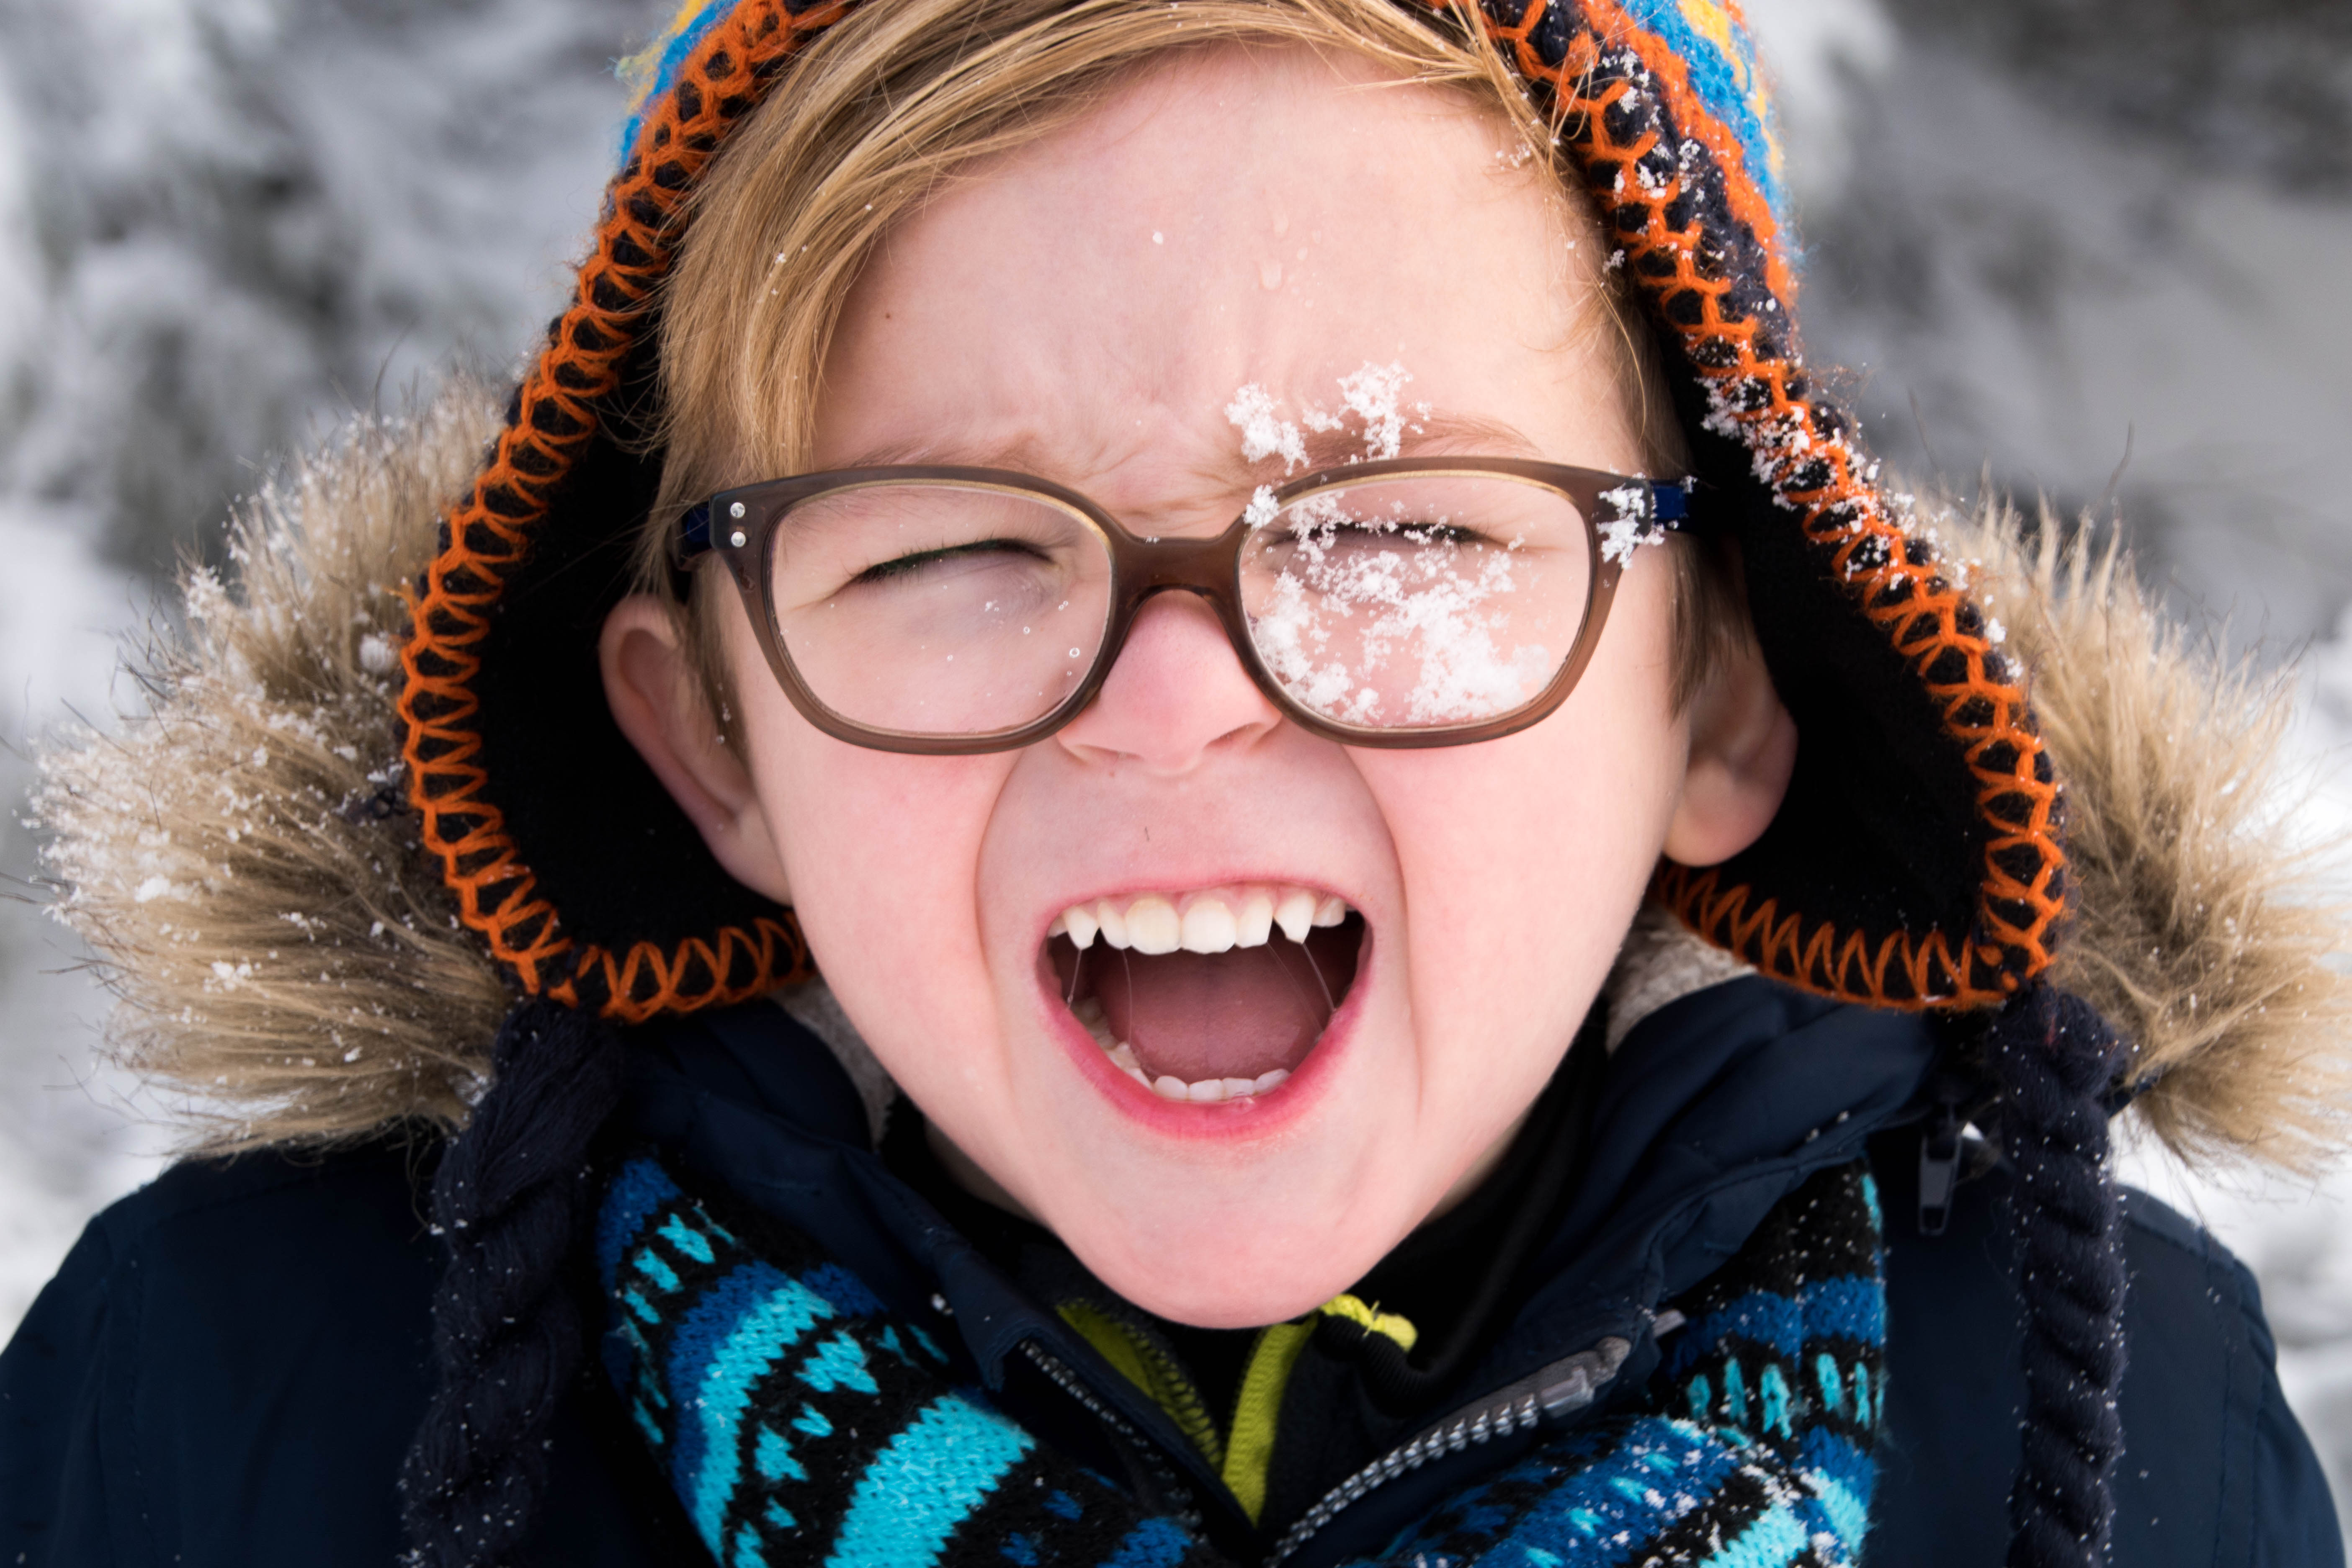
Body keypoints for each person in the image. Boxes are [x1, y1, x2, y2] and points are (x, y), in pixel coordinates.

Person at [3, 0, 2344, 1563]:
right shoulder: (239, 1395)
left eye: (1401, 526)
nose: (1171, 697)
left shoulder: (2097, 1423)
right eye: (946, 548)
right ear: (713, 735)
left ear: (1717, 696)